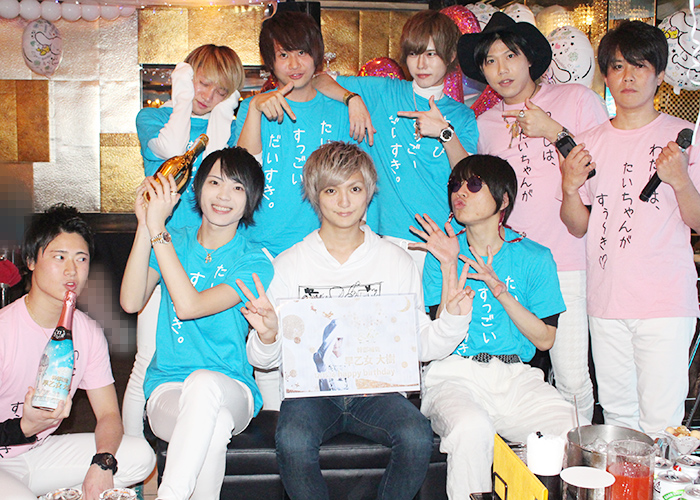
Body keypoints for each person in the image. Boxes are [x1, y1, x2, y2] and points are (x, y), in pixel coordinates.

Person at [239, 141, 474, 500]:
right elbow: (265, 360)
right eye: (331, 190)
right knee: (292, 439)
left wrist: (453, 319)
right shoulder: (289, 264)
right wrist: (268, 336)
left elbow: (421, 344)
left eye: (354, 189)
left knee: (416, 435)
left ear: (369, 193)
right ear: (315, 195)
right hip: (312, 394)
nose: (344, 201)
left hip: (377, 390)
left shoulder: (395, 261)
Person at [456, 12, 609, 420]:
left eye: (510, 55)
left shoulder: (576, 100)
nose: (502, 69)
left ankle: (576, 456)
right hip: (511, 264)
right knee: (516, 375)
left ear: (529, 59)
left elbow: (603, 171)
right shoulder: (484, 123)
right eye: (490, 61)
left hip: (567, 260)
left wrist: (552, 129)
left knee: (571, 377)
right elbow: (477, 193)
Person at [560, 21, 700, 433]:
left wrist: (680, 180)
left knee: (660, 421)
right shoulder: (587, 142)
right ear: (605, 75)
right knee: (617, 420)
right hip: (606, 301)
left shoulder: (683, 138)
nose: (629, 76)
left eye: (640, 66)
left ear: (660, 75)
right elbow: (577, 227)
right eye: (618, 66)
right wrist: (569, 188)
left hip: (665, 303)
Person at [416, 155, 582, 498]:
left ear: (503, 199)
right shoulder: (443, 252)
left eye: (474, 184)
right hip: (454, 374)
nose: (460, 192)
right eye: (455, 185)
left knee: (571, 432)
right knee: (471, 429)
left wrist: (501, 291)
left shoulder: (535, 257)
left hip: (516, 377)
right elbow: (441, 334)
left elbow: (545, 340)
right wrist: (448, 265)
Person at [120, 147, 274, 500]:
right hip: (167, 389)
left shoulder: (254, 261)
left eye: (237, 187)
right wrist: (145, 224)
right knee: (214, 428)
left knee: (204, 383)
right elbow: (131, 301)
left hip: (232, 388)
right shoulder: (174, 241)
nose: (224, 195)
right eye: (215, 182)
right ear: (197, 188)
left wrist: (158, 230)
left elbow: (189, 306)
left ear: (251, 199)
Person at [125, 44, 246, 438]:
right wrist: (182, 99)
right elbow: (175, 151)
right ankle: (134, 459)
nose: (208, 96)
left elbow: (220, 168)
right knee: (146, 359)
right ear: (184, 76)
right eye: (202, 83)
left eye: (221, 91)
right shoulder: (153, 118)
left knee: (206, 362)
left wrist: (223, 116)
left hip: (206, 253)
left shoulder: (225, 127)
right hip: (159, 248)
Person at [0, 204, 155, 500]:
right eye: (59, 257)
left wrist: (102, 463)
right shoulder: (5, 330)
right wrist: (24, 427)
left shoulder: (87, 332)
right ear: (31, 260)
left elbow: (109, 415)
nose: (72, 270)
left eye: (81, 258)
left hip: (40, 453)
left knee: (139, 456)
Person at [312, 10, 478, 270]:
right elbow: (318, 80)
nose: (421, 64)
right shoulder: (383, 91)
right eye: (413, 53)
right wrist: (352, 99)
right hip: (385, 240)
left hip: (441, 240)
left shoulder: (462, 116)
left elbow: (469, 177)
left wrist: (445, 133)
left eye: (431, 54)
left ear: (450, 56)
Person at [234, 11, 366, 259]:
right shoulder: (252, 107)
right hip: (257, 244)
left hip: (321, 247)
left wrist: (352, 99)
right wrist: (254, 110)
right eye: (283, 55)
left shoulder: (340, 110)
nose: (294, 65)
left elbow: (358, 181)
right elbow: (240, 173)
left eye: (302, 53)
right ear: (270, 62)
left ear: (316, 55)